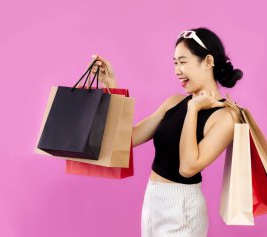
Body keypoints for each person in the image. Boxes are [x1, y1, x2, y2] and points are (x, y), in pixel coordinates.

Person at [90, 27, 243, 237]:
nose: (177, 70)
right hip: (153, 199)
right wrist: (111, 86)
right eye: (175, 63)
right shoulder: (174, 102)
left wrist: (194, 109)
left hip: (183, 209)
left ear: (207, 62)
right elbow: (127, 138)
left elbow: (188, 167)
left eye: (183, 61)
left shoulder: (225, 117)